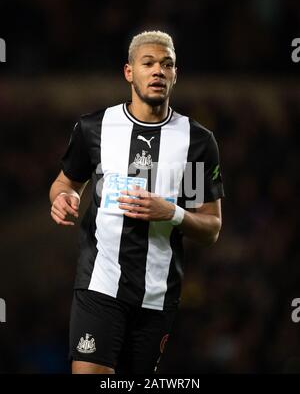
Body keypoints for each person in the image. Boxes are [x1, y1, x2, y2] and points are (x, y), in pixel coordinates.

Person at [49, 30, 225, 374]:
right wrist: (63, 197)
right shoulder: (95, 127)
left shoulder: (197, 141)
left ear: (175, 75)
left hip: (157, 292)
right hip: (100, 281)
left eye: (167, 64)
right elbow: (66, 183)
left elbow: (211, 228)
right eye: (149, 63)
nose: (158, 70)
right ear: (129, 72)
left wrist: (171, 212)